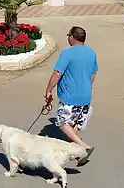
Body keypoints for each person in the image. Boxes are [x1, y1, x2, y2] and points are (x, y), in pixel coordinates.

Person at [45, 26, 97, 167]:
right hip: (86, 95)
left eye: (69, 35)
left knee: (62, 122)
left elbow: (57, 74)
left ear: (72, 37)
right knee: (74, 124)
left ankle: (83, 146)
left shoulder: (67, 53)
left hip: (70, 96)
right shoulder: (91, 53)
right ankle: (74, 153)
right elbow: (93, 73)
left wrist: (49, 90)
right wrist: (87, 85)